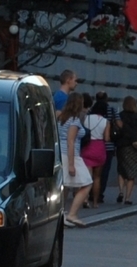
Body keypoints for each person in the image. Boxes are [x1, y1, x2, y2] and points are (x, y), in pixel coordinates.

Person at [58, 92, 92, 227]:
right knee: (87, 183)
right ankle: (72, 214)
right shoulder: (74, 120)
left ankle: (63, 214)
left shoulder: (62, 118)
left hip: (61, 154)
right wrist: (71, 164)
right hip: (71, 155)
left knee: (65, 186)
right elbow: (70, 141)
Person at [117, 96, 137, 205]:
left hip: (122, 146)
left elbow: (117, 131)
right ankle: (128, 197)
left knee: (121, 170)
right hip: (134, 147)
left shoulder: (120, 116)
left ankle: (121, 191)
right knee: (131, 173)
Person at [95, 91, 122, 204]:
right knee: (104, 172)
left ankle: (91, 193)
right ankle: (100, 194)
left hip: (93, 144)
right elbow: (120, 124)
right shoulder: (112, 110)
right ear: (107, 99)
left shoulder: (92, 110)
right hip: (108, 146)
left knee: (93, 172)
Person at [83, 99, 110, 209]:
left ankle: (84, 199)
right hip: (99, 148)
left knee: (87, 177)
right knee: (97, 178)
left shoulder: (87, 118)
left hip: (88, 147)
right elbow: (107, 138)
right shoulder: (106, 121)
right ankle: (95, 202)